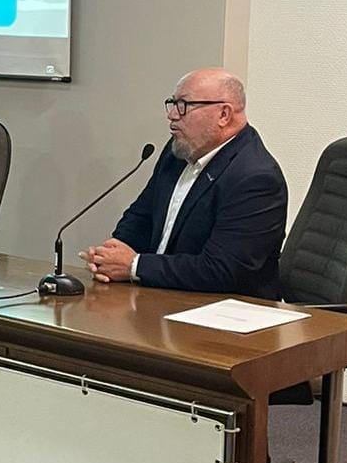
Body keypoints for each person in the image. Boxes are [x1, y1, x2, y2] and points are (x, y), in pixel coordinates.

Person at [81, 67, 288, 299]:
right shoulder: (178, 152)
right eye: (172, 103)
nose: (172, 115)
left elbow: (221, 269)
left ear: (224, 114)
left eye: (184, 105)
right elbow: (141, 216)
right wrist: (112, 253)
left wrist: (134, 266)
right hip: (163, 294)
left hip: (223, 308)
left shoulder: (255, 177)